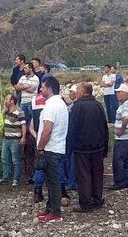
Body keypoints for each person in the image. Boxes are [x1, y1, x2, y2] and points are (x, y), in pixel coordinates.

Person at [68, 82, 109, 212]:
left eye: (78, 90)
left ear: (83, 91)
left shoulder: (77, 106)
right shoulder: (98, 105)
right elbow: (105, 127)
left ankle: (85, 203)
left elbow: (72, 128)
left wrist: (69, 147)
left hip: (82, 147)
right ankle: (97, 199)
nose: (76, 92)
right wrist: (105, 147)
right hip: (98, 146)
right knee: (97, 173)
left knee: (84, 175)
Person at [35, 76, 69, 223]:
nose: (40, 90)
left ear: (49, 89)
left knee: (53, 182)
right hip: (58, 146)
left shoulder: (50, 106)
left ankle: (55, 212)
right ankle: (50, 208)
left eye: (42, 87)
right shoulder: (60, 104)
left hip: (50, 148)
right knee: (51, 181)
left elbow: (47, 129)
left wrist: (40, 147)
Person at [111, 83, 128, 190]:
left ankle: (120, 182)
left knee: (118, 159)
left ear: (126, 93)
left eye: (120, 92)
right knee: (127, 158)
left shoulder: (125, 105)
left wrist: (121, 130)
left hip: (123, 137)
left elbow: (125, 117)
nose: (117, 94)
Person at [0, 94, 26, 186]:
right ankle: (5, 177)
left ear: (12, 101)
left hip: (15, 139)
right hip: (6, 138)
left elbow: (23, 125)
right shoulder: (6, 111)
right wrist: (4, 109)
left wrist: (23, 137)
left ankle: (16, 179)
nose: (5, 100)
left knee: (16, 160)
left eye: (7, 99)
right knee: (4, 159)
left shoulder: (19, 112)